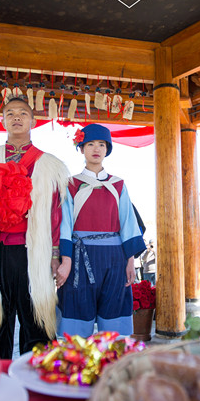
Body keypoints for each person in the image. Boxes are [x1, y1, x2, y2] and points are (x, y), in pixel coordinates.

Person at [0, 94, 70, 359]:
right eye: (10, 113)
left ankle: (39, 383)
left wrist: (56, 256)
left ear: (33, 120)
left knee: (37, 322)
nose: (16, 117)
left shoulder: (49, 166)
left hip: (33, 254)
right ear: (3, 121)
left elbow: (56, 216)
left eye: (22, 113)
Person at [55, 124, 146, 337]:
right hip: (79, 258)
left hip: (115, 259)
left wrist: (130, 260)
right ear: (81, 148)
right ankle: (77, 364)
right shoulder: (70, 185)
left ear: (107, 149)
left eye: (102, 144)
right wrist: (66, 261)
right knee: (77, 314)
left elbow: (128, 223)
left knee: (114, 314)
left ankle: (112, 365)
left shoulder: (119, 185)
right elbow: (65, 225)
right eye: (90, 144)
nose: (96, 149)